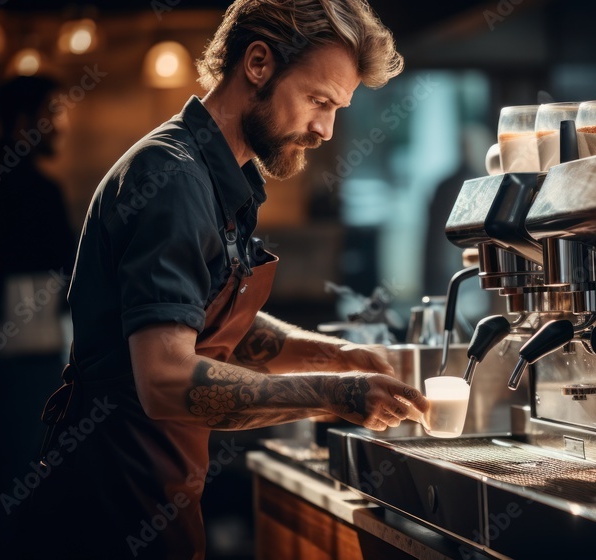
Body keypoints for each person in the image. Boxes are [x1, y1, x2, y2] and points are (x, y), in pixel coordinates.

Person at [22, 2, 429, 559]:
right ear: (257, 63)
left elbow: (211, 320)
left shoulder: (220, 178)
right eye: (318, 101)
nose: (325, 130)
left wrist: (342, 355)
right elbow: (164, 379)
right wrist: (335, 394)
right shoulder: (170, 179)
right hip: (107, 504)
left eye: (336, 109)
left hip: (158, 489)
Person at [0, 74, 76, 558]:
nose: (58, 128)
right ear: (25, 121)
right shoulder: (34, 189)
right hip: (27, 340)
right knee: (22, 470)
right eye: (50, 115)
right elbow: (67, 269)